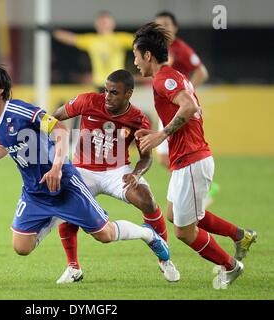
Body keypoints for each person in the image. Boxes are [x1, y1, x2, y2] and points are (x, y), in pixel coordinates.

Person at [0, 58, 170, 282]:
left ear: (0, 89)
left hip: (64, 182)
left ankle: (147, 233)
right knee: (21, 247)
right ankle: (64, 243)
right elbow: (5, 143)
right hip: (34, 191)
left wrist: (56, 167)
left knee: (105, 235)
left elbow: (61, 129)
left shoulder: (23, 111)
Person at [132, 23, 257, 288]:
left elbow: (188, 106)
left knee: (184, 231)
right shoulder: (172, 76)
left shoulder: (163, 78)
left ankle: (230, 266)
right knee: (176, 214)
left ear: (148, 56)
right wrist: (158, 131)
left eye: (135, 55)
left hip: (192, 159)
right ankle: (240, 236)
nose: (134, 62)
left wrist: (161, 134)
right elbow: (183, 107)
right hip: (186, 160)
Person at [52, 69, 180, 284]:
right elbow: (54, 117)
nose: (107, 97)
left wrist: (137, 174)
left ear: (128, 94)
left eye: (114, 93)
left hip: (117, 171)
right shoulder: (88, 101)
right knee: (67, 210)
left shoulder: (138, 119)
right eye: (106, 90)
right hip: (84, 170)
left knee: (147, 201)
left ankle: (164, 259)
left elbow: (145, 158)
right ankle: (73, 268)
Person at [153, 12, 219, 207]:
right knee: (164, 157)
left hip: (180, 107)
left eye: (165, 24)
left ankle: (199, 189)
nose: (162, 28)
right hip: (167, 107)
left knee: (179, 153)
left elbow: (202, 72)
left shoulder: (180, 49)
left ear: (175, 28)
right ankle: (196, 188)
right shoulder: (159, 49)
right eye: (158, 25)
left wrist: (186, 90)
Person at [53, 11, 132, 92]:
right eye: (101, 22)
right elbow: (72, 39)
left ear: (112, 24)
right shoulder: (92, 40)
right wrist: (53, 31)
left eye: (105, 22)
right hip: (101, 83)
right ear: (96, 25)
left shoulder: (121, 39)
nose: (103, 25)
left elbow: (140, 40)